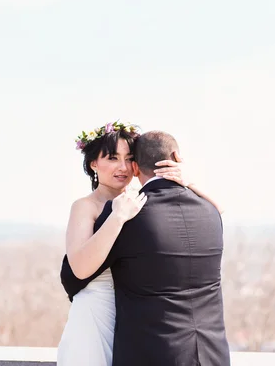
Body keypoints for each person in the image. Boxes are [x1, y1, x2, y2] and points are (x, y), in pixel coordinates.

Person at [57, 122, 224, 366]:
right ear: (94, 163)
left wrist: (190, 182)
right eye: (113, 158)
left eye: (129, 158)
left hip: (135, 321)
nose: (122, 167)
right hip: (97, 316)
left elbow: (215, 213)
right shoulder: (85, 206)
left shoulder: (141, 200)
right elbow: (80, 268)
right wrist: (116, 218)